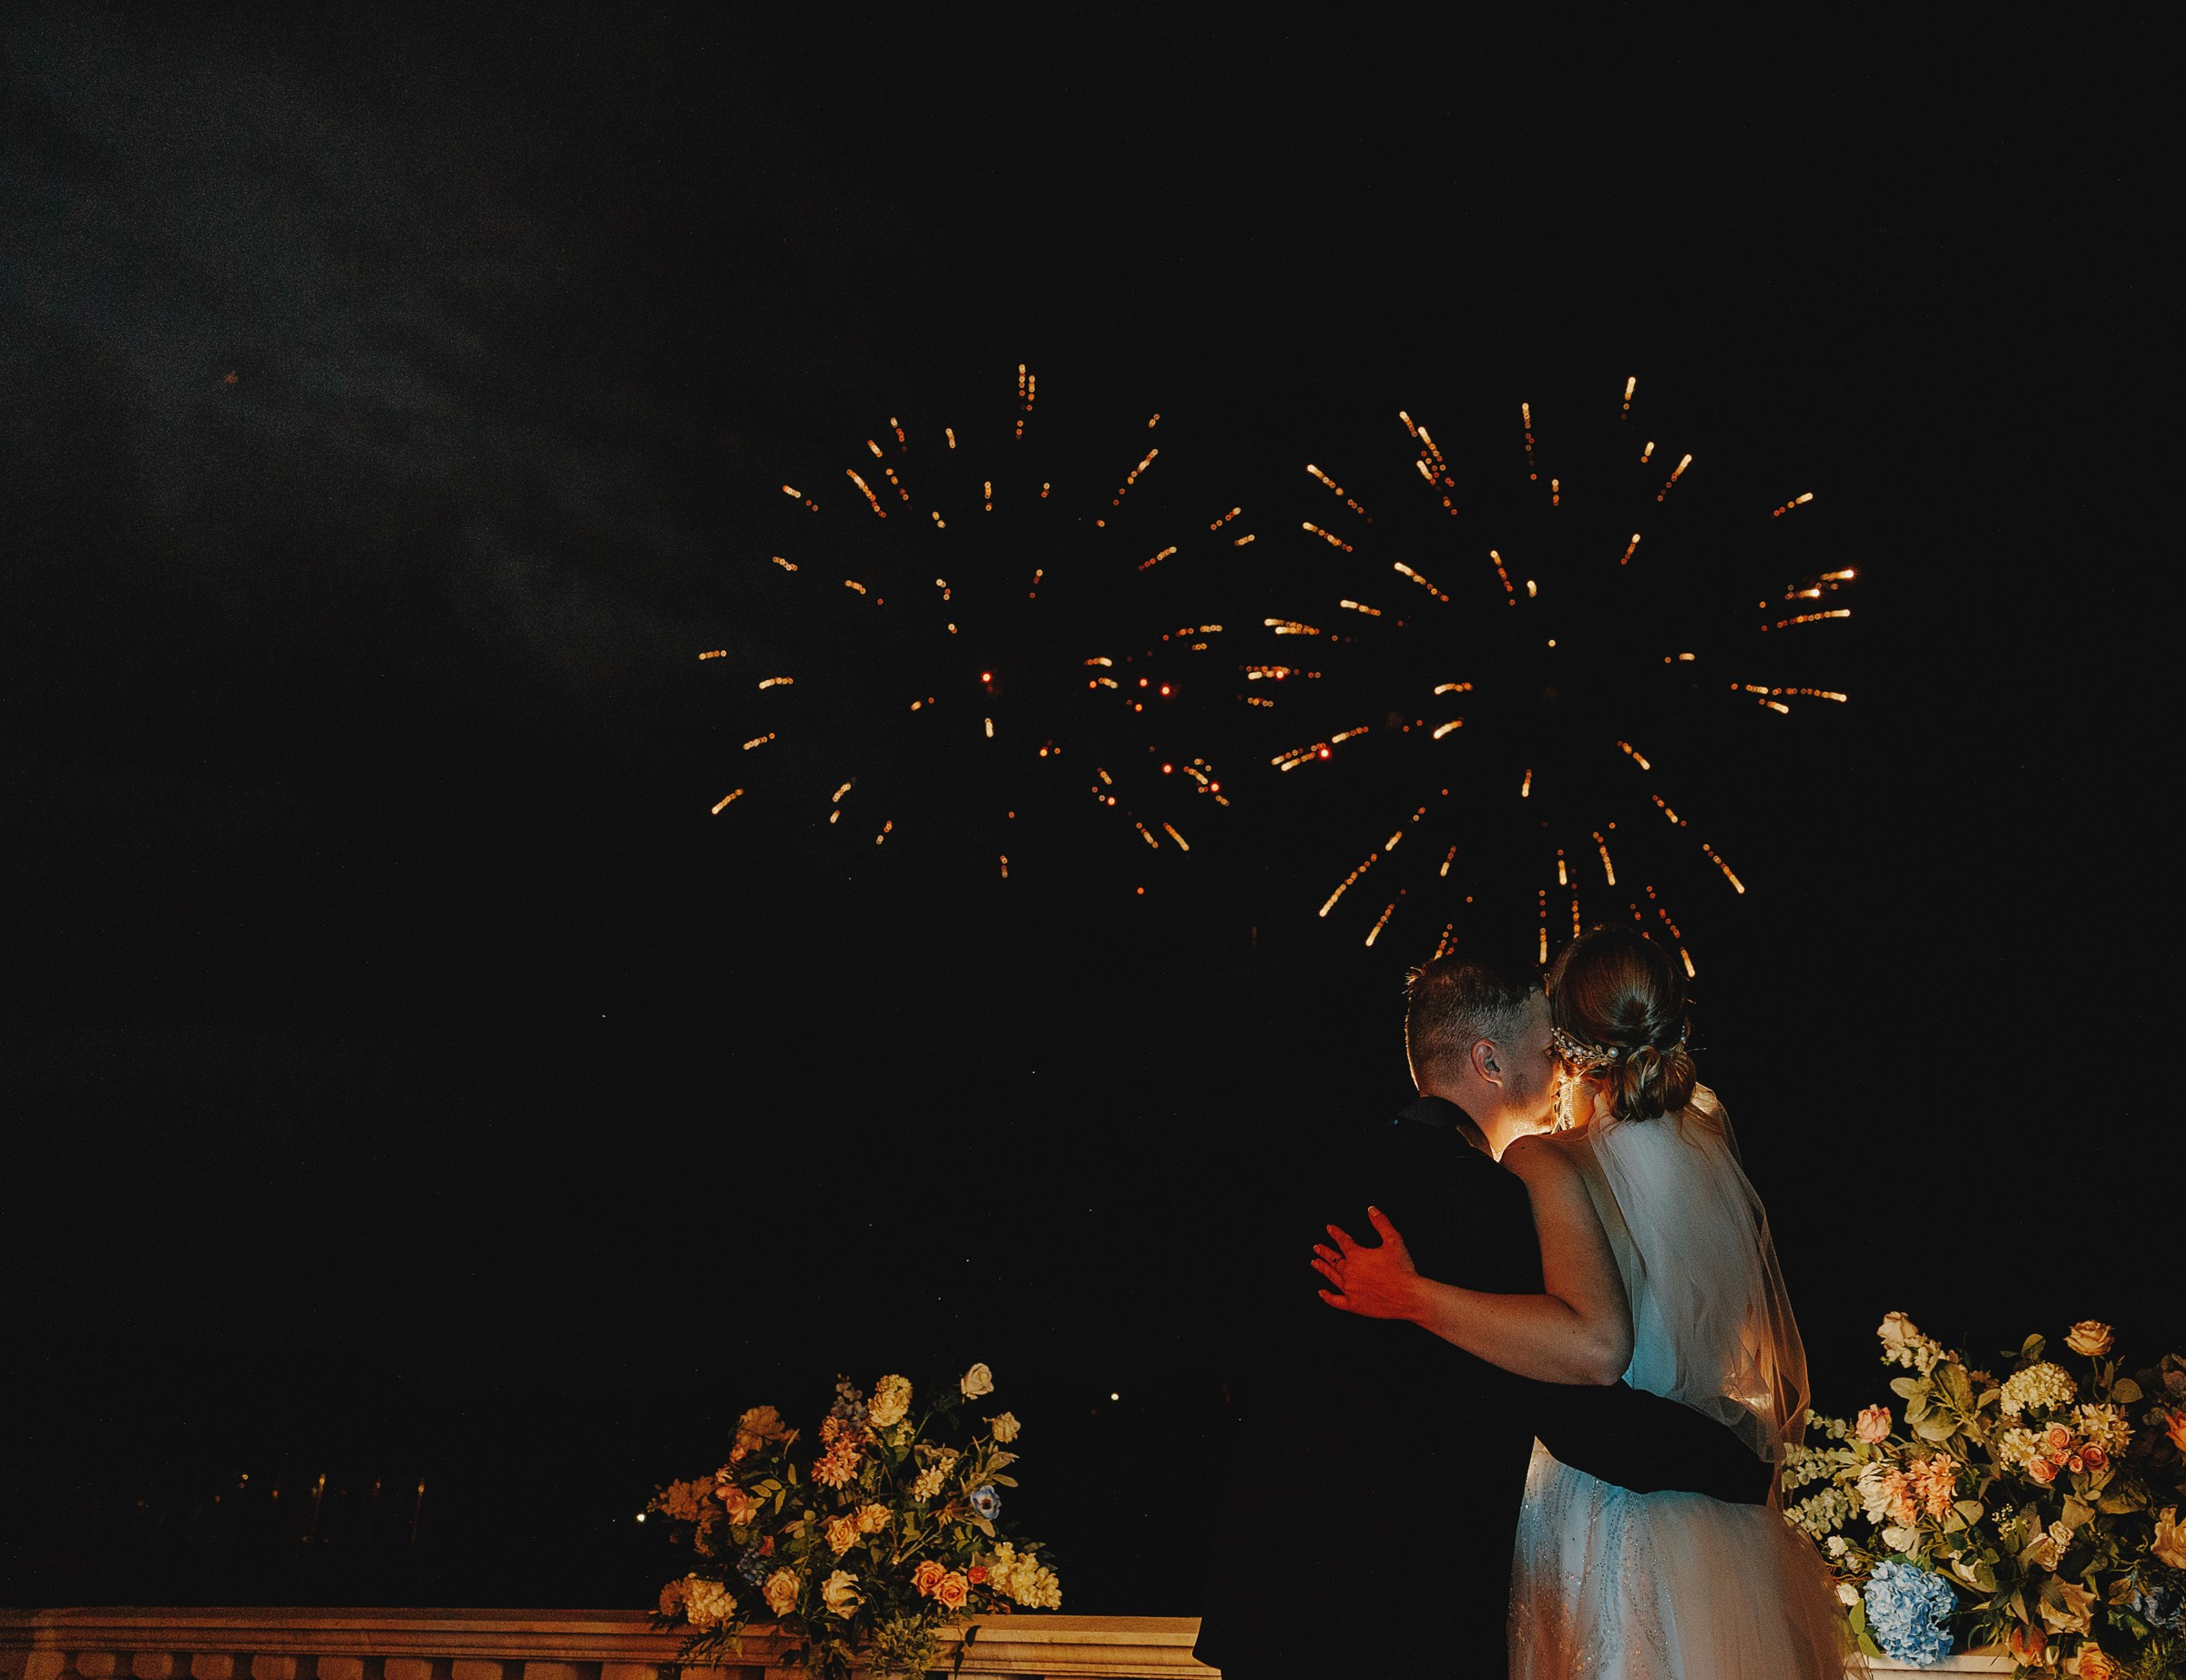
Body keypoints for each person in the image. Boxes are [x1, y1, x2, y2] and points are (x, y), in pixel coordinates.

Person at [1192, 947, 1774, 1679]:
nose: (1562, 1068)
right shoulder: (1485, 1197)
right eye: (1547, 1047)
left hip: (1266, 1601)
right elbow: (1584, 1413)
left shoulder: (1313, 1174)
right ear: (1489, 1060)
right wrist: (1743, 1457)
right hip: (1397, 1617)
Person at [1312, 926, 1852, 1678]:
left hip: (1600, 1511)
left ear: (1568, 1048)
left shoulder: (1539, 1161)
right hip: (1720, 1526)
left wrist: (1410, 1294)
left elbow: (1591, 1356)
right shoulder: (1710, 1148)